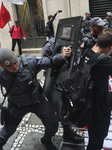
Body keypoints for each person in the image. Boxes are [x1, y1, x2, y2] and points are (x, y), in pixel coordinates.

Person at [0, 47, 71, 150]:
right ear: (2, 66)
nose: (15, 66)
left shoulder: (29, 62)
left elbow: (49, 61)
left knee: (53, 125)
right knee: (6, 132)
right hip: (17, 105)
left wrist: (62, 55)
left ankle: (46, 140)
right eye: (10, 66)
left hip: (37, 101)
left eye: (15, 62)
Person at [41, 37, 84, 144]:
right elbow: (45, 64)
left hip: (67, 81)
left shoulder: (73, 42)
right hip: (54, 82)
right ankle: (48, 137)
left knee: (65, 109)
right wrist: (59, 60)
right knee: (57, 110)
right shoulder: (49, 46)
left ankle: (67, 133)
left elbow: (76, 59)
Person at [81, 28, 112, 150]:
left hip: (89, 101)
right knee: (97, 139)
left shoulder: (86, 52)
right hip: (98, 107)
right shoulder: (104, 61)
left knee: (94, 136)